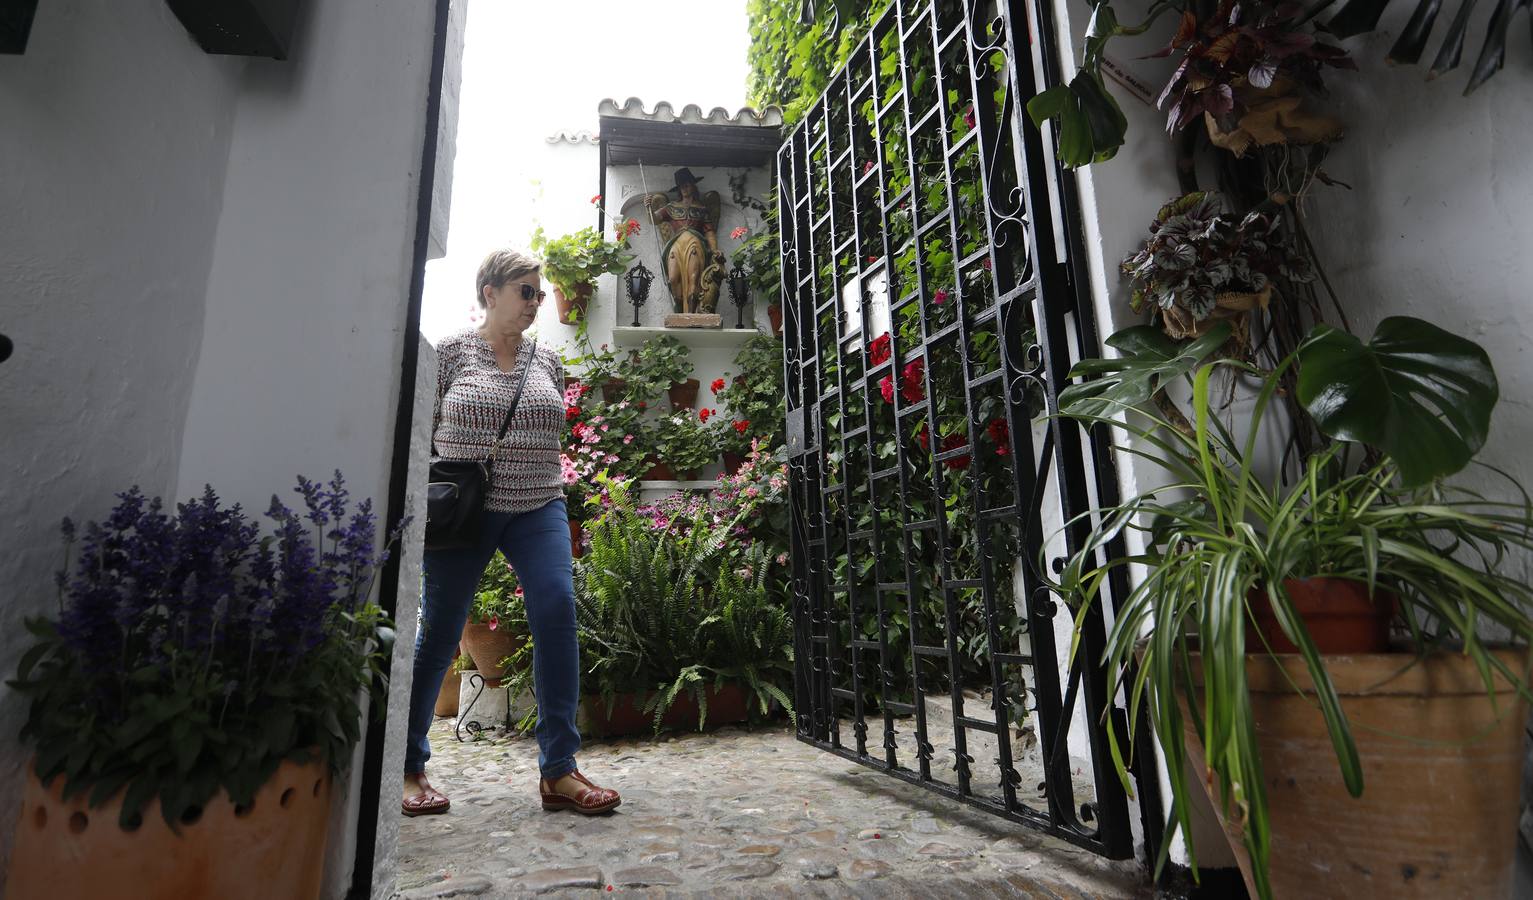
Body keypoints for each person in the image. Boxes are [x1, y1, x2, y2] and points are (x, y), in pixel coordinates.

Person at [402, 248, 620, 817]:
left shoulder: (546, 360)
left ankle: (559, 771)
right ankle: (407, 765)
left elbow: (554, 432)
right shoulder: (449, 353)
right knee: (443, 629)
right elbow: (418, 431)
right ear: (490, 292)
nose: (534, 302)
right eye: (525, 290)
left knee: (556, 610)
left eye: (539, 293)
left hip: (538, 503)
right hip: (465, 512)